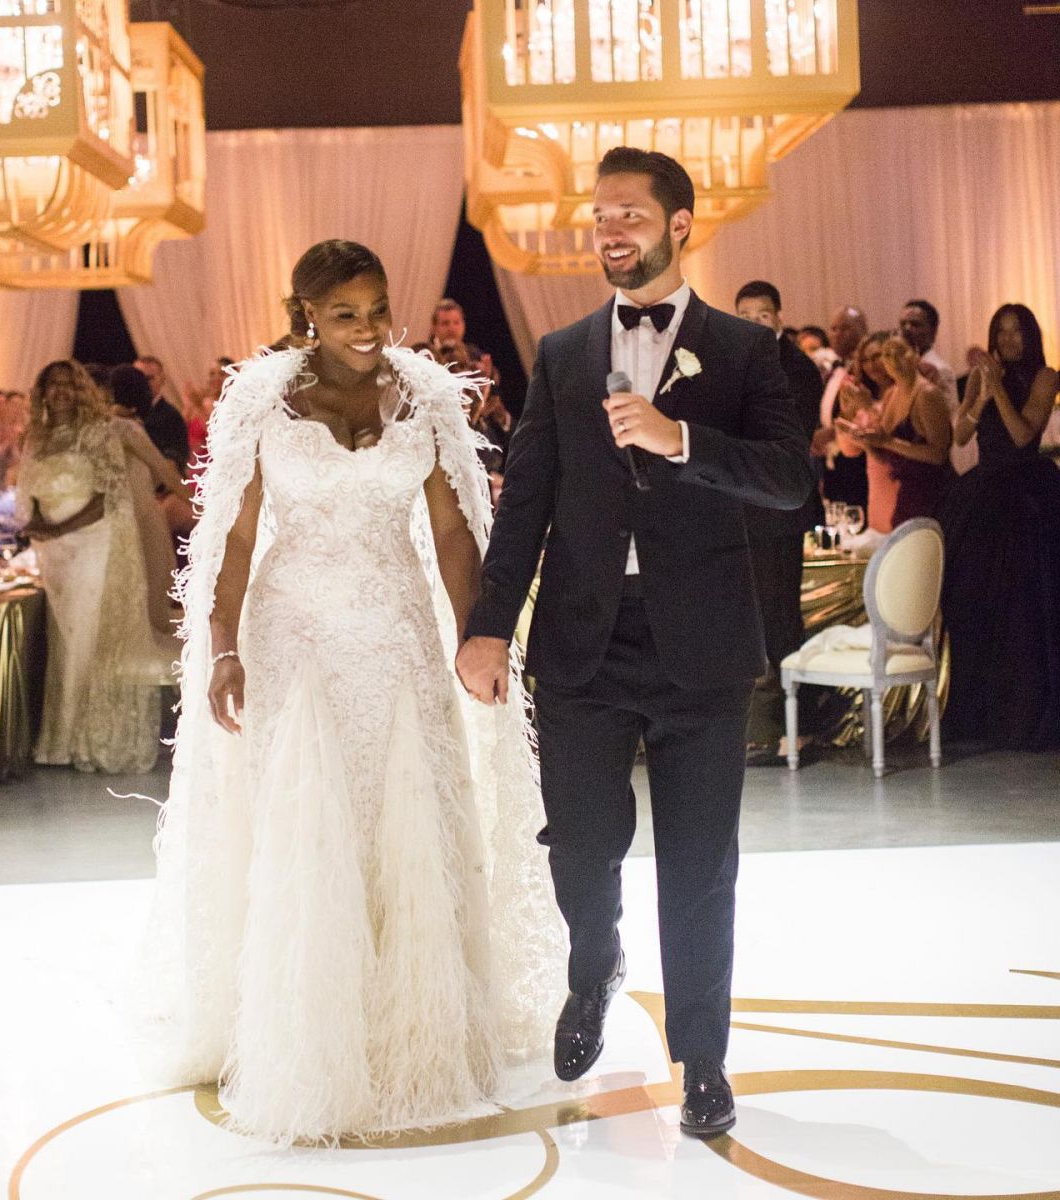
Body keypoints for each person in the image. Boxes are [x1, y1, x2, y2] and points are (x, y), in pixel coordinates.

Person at [142, 240, 562, 1145]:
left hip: (399, 634)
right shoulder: (260, 400)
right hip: (294, 636)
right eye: (346, 315)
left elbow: (453, 532)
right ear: (306, 317)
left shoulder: (425, 394)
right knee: (312, 828)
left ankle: (414, 1032)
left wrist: (475, 636)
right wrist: (222, 650)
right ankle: (312, 1042)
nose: (369, 330)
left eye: (377, 309)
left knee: (403, 818)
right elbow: (235, 542)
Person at [456, 148, 815, 1138]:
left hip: (700, 648)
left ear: (680, 224)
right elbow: (526, 496)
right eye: (599, 215)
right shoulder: (564, 353)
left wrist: (680, 440)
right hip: (580, 646)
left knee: (701, 863)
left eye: (629, 214)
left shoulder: (744, 353)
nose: (609, 230)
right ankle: (594, 968)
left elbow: (790, 479)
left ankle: (702, 1058)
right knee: (581, 847)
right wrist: (489, 625)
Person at [17, 360, 171, 773]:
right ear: (43, 392)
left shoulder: (99, 433)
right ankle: (59, 739)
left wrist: (60, 527)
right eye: (53, 386)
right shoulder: (37, 437)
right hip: (56, 552)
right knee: (64, 642)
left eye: (69, 385)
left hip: (94, 543)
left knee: (86, 639)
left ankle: (87, 739)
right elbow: (31, 490)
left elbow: (106, 497)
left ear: (81, 389)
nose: (61, 392)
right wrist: (37, 523)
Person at [939, 304, 1060, 749]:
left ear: (1030, 335)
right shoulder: (981, 376)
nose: (1008, 340)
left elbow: (1024, 434)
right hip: (983, 496)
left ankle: (1025, 716)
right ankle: (976, 714)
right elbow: (960, 436)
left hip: (1028, 496)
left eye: (1016, 332)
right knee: (973, 602)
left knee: (1025, 608)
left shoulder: (1046, 376)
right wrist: (979, 398)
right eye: (1001, 331)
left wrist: (998, 392)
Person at [734, 280, 825, 760]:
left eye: (761, 315)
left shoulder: (797, 368)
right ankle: (763, 727)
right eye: (744, 315)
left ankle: (794, 729)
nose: (753, 323)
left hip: (780, 509)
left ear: (779, 317)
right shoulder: (733, 362)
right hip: (744, 509)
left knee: (779, 618)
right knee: (750, 621)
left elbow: (789, 435)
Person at [835, 335, 951, 533]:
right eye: (887, 354)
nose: (893, 360)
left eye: (900, 353)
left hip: (932, 494)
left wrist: (886, 440)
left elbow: (939, 454)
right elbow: (884, 452)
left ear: (915, 354)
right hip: (905, 496)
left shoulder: (927, 394)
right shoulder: (892, 394)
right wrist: (862, 441)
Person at [109, 363, 192, 638]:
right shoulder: (126, 428)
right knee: (152, 591)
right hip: (142, 514)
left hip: (117, 517)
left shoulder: (102, 427)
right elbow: (165, 473)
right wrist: (199, 503)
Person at [899, 298, 972, 476]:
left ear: (933, 331)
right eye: (903, 324)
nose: (907, 329)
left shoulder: (939, 369)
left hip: (929, 462)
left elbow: (947, 420)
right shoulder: (900, 368)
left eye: (915, 324)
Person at [815, 305, 869, 506]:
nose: (837, 334)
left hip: (860, 460)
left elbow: (867, 411)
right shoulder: (835, 368)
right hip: (834, 459)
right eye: (833, 328)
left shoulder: (868, 369)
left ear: (863, 331)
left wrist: (829, 433)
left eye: (845, 328)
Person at [134, 354, 191, 473]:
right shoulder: (129, 413)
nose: (143, 383)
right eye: (138, 378)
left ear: (162, 379)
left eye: (149, 378)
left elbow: (179, 458)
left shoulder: (171, 415)